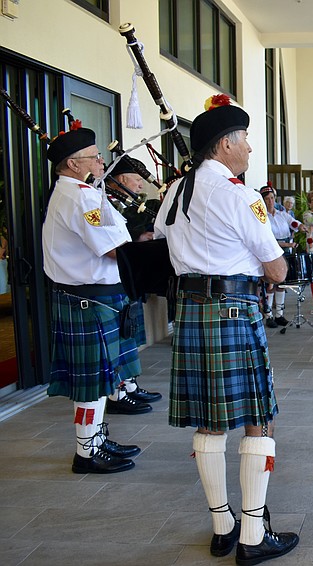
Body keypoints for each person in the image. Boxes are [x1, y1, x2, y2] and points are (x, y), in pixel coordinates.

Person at [154, 94, 299, 561]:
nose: (250, 149)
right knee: (259, 418)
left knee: (209, 423)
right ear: (223, 145)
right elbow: (276, 271)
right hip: (234, 310)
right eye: (245, 140)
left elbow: (157, 240)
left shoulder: (175, 192)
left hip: (192, 312)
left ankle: (223, 527)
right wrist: (277, 260)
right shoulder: (239, 194)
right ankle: (254, 537)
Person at [43, 125, 143, 474]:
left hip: (91, 299)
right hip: (88, 301)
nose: (102, 161)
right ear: (73, 163)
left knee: (101, 381)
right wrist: (151, 255)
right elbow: (113, 248)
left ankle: (96, 439)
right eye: (94, 156)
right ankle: (86, 451)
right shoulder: (80, 197)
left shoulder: (81, 192)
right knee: (91, 385)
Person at [103, 156, 163, 406]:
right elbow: (112, 243)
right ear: (122, 179)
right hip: (108, 279)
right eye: (137, 179)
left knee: (127, 337)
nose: (140, 185)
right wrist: (139, 239)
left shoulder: (124, 203)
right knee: (117, 341)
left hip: (124, 277)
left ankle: (129, 385)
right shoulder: (103, 203)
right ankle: (117, 392)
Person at [261, 183, 299, 328]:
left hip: (286, 251)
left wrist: (303, 226)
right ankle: (269, 315)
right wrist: (287, 245)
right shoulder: (262, 217)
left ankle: (279, 315)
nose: (270, 201)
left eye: (272, 198)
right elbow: (267, 239)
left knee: (282, 283)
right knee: (271, 283)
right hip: (272, 250)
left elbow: (294, 223)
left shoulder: (283, 214)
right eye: (267, 199)